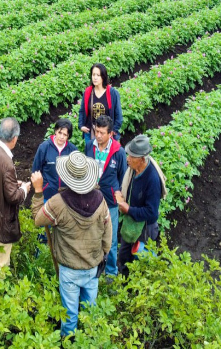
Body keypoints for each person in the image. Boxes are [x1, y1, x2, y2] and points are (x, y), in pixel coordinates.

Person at [31, 151, 112, 337]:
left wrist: (37, 192)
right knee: (90, 311)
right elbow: (108, 233)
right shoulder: (101, 200)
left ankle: (69, 341)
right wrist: (104, 254)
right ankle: (90, 340)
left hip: (68, 269)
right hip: (93, 266)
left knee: (69, 315)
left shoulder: (58, 203)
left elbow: (38, 220)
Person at [0, 117, 31, 268]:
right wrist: (24, 189)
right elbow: (13, 197)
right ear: (14, 138)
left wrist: (12, 183)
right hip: (1, 220)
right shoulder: (6, 162)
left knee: (0, 255)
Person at [115, 135, 164, 277]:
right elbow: (127, 188)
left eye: (132, 156)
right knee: (124, 258)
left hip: (144, 230)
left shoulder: (152, 178)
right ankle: (124, 288)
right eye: (128, 154)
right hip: (131, 224)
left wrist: (128, 209)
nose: (128, 158)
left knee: (140, 263)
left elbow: (152, 213)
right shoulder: (132, 170)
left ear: (142, 159)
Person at [85, 115, 126, 276]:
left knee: (111, 239)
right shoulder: (90, 146)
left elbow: (123, 177)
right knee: (92, 234)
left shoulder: (118, 152)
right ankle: (94, 269)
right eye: (97, 132)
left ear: (111, 134)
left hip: (110, 202)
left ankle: (110, 272)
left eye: (102, 133)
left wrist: (119, 196)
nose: (99, 136)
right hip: (92, 199)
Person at [31, 118, 79, 202]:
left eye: (65, 134)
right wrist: (41, 188)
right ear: (55, 131)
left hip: (66, 197)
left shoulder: (73, 150)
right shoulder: (44, 147)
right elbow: (36, 170)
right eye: (60, 132)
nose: (61, 137)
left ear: (68, 136)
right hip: (47, 195)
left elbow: (76, 173)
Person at [78, 63, 123, 143]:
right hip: (91, 133)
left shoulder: (113, 93)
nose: (95, 78)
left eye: (98, 75)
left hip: (107, 134)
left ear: (103, 77)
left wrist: (112, 131)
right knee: (91, 155)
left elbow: (118, 116)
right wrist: (81, 126)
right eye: (93, 74)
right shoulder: (88, 92)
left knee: (107, 155)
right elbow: (82, 111)